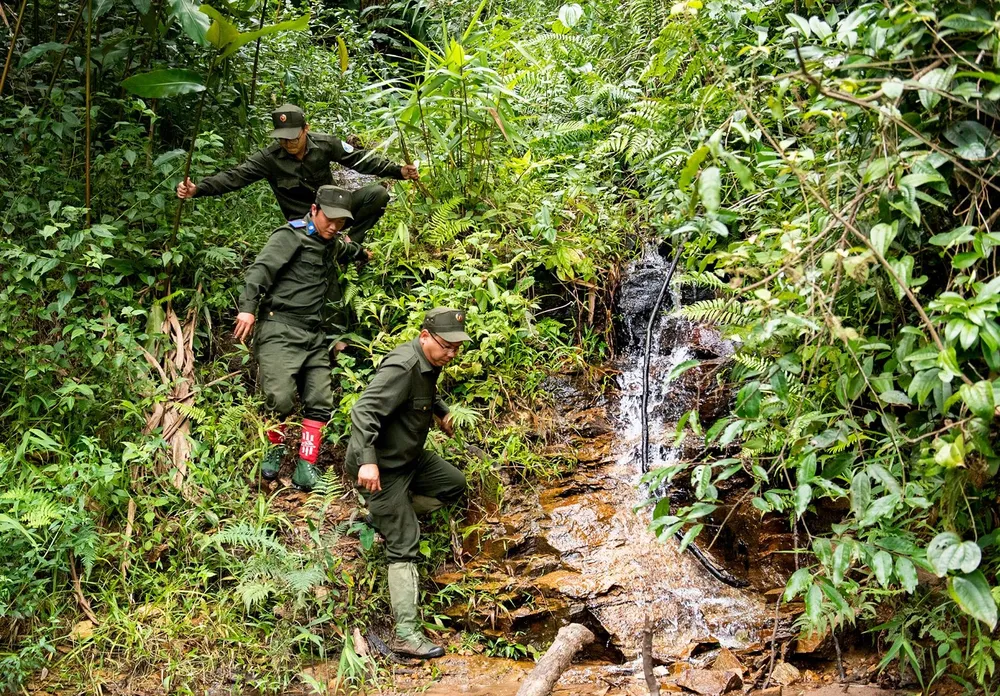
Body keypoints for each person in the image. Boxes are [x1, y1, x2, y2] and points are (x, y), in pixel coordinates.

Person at [346, 308, 472, 659]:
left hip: (411, 461)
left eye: (457, 349)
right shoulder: (403, 367)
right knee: (404, 543)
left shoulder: (429, 363)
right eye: (447, 347)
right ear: (425, 337)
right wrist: (368, 462)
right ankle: (405, 634)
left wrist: (441, 410)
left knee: (453, 484)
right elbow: (363, 412)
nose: (451, 354)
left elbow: (423, 393)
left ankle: (385, 514)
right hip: (381, 470)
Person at [235, 185, 370, 491]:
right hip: (279, 327)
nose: (334, 226)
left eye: (341, 223)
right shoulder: (290, 236)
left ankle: (305, 468)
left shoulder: (332, 243)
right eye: (329, 219)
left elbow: (348, 251)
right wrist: (247, 309)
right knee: (279, 398)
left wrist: (365, 253)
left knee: (321, 400)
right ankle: (272, 455)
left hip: (314, 334)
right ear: (314, 210)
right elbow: (261, 270)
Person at [177, 104, 420, 246]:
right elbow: (235, 177)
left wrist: (398, 171)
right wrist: (197, 189)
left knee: (377, 194)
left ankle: (350, 245)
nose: (289, 142)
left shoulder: (325, 144)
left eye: (294, 136)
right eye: (283, 138)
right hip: (302, 225)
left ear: (306, 129)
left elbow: (359, 160)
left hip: (334, 210)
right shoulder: (268, 158)